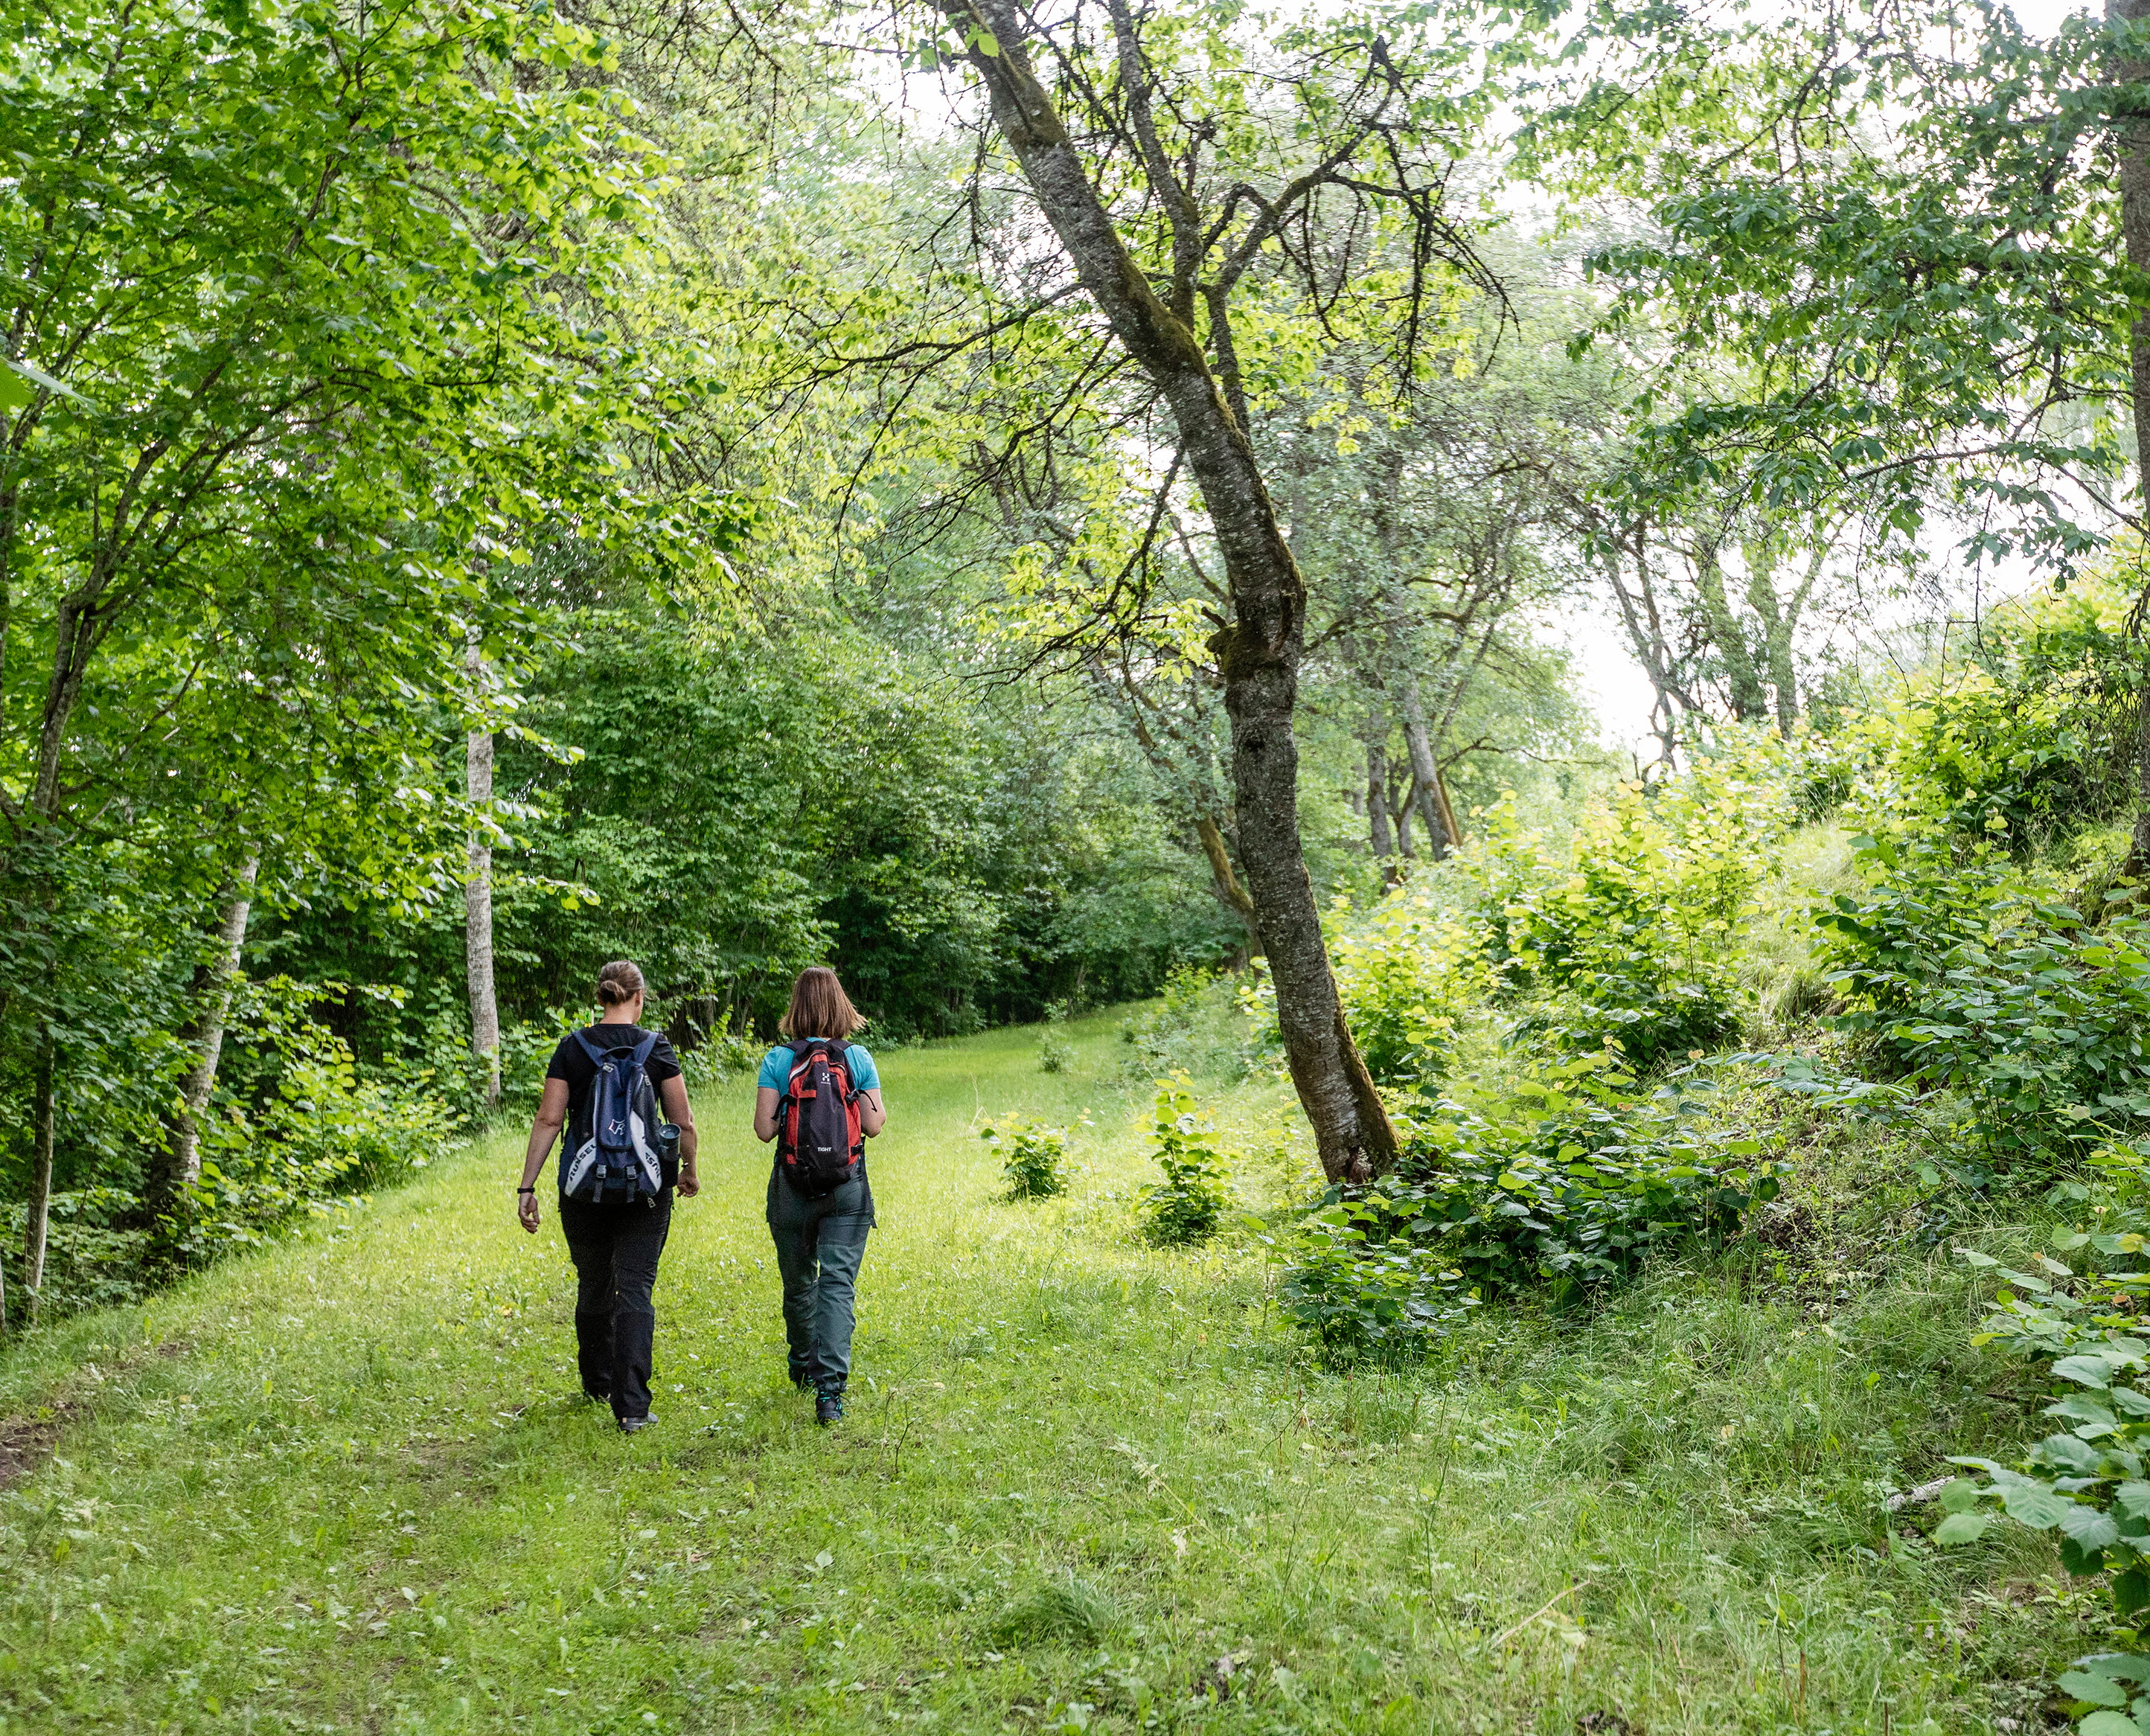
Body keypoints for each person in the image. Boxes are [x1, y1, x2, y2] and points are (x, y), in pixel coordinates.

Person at [517, 961, 699, 1434]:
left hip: (582, 1190)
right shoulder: (656, 1047)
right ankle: (633, 1408)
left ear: (602, 999)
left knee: (594, 1280)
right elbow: (682, 1120)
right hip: (646, 1190)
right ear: (638, 998)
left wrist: (527, 1185)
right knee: (635, 1287)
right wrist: (688, 1169)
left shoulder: (571, 1049)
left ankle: (597, 1382)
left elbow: (548, 1121)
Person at [755, 966, 886, 1426]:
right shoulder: (857, 1058)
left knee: (799, 1284)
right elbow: (872, 1125)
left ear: (797, 1007)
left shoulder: (778, 1059)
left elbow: (764, 1131)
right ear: (840, 1005)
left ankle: (800, 1365)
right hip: (847, 1189)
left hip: (790, 1189)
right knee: (837, 1287)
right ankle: (830, 1394)